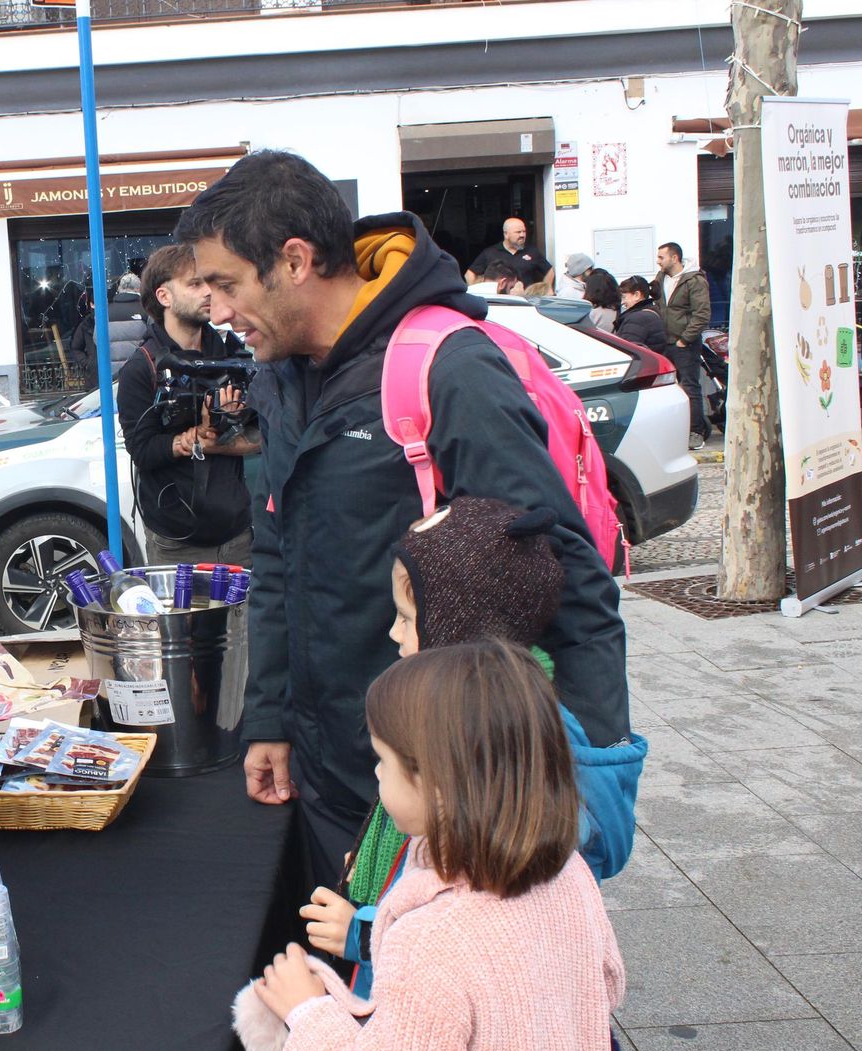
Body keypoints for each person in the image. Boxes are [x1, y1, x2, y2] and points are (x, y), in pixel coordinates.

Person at [173, 150, 629, 892]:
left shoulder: (448, 370)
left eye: (226, 285)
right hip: (333, 771)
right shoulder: (284, 376)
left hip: (445, 786)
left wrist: (589, 779)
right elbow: (279, 556)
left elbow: (569, 581)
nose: (217, 313)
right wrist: (269, 718)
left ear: (295, 261)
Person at [299, 497, 645, 1001]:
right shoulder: (486, 723)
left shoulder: (509, 741)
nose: (393, 633)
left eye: (405, 617)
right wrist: (385, 866)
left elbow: (483, 907)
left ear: (458, 630)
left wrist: (366, 932)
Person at [232, 642, 626, 1051]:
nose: (377, 772)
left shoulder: (430, 942)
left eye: (384, 759)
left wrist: (307, 1012)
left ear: (437, 785)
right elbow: (608, 982)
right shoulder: (571, 873)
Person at [117, 243, 257, 567]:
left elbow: (264, 435)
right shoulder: (142, 368)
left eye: (210, 282)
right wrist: (200, 435)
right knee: (187, 620)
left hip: (237, 535)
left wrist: (222, 432)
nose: (209, 292)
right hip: (177, 542)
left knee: (244, 621)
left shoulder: (232, 357)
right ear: (164, 296)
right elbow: (143, 451)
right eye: (195, 284)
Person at [653, 241, 712, 450]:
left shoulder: (693, 280)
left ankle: (695, 432)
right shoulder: (660, 279)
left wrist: (685, 339)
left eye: (661, 257)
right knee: (668, 387)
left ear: (674, 258)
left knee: (689, 386)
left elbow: (702, 313)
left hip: (684, 343)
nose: (658, 261)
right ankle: (675, 431)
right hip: (665, 341)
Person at [67, 271, 152, 382]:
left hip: (110, 375)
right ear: (139, 289)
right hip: (139, 372)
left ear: (119, 289)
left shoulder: (104, 313)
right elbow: (155, 340)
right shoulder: (147, 311)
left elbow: (97, 340)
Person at [463, 217, 552, 287]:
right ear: (506, 234)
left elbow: (549, 271)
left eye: (524, 231)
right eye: (518, 232)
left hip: (526, 302)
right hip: (500, 303)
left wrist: (546, 290)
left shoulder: (532, 251)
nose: (522, 235)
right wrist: (480, 295)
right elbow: (469, 275)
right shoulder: (490, 252)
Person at [615, 275, 667, 352]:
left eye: (624, 297)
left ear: (637, 295)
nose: (622, 302)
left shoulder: (638, 318)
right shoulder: (651, 312)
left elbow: (627, 350)